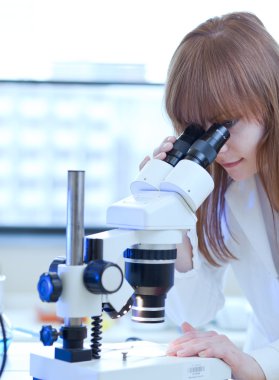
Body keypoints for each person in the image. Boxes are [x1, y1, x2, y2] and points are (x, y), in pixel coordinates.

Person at [140, 12, 279, 380]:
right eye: (202, 132)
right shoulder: (229, 187)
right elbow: (193, 312)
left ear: (270, 101)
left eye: (227, 124)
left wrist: (259, 365)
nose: (218, 149)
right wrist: (173, 219)